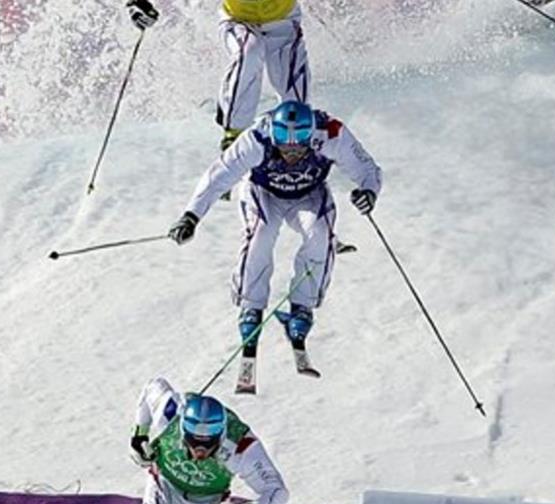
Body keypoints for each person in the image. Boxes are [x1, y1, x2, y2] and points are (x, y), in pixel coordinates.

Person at [166, 100, 382, 393]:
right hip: (263, 193)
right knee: (261, 236)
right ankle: (251, 305)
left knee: (320, 237)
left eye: (298, 148)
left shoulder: (331, 132)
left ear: (310, 137)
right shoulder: (258, 138)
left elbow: (366, 167)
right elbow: (220, 174)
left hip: (309, 194)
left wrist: (368, 191)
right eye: (285, 148)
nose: (291, 154)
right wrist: (191, 216)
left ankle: (303, 306)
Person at [126, 0, 312, 151]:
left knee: (295, 103)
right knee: (250, 52)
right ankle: (234, 136)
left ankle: (296, 146)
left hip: (283, 21)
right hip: (239, 20)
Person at [129, 377, 289, 504]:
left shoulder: (239, 445)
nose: (200, 450)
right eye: (193, 441)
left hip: (206, 500)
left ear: (221, 434)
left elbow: (276, 490)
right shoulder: (170, 414)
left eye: (208, 443)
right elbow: (153, 387)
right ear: (183, 430)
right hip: (164, 485)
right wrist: (139, 435)